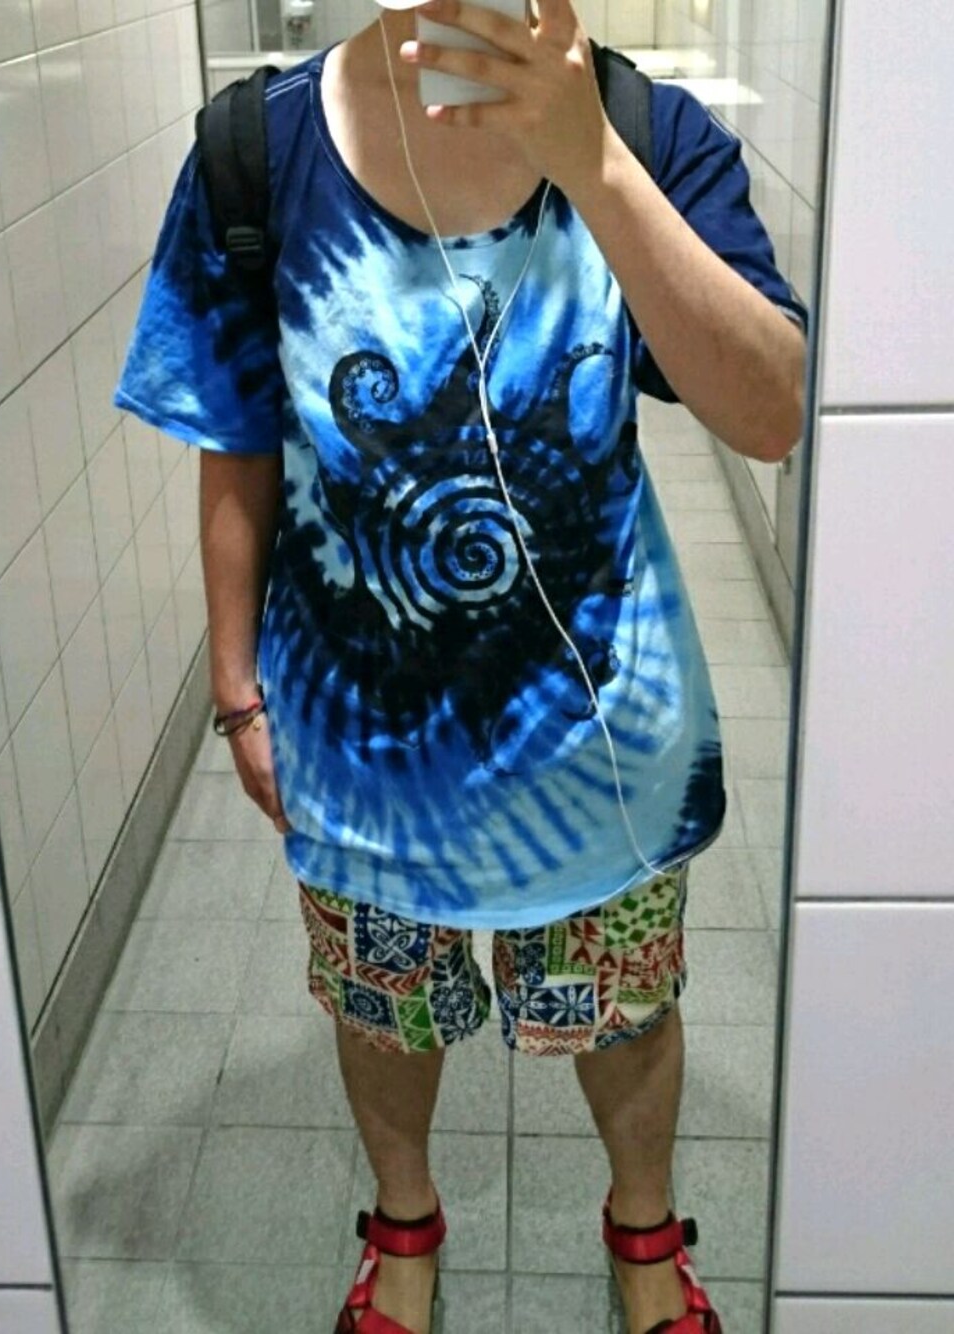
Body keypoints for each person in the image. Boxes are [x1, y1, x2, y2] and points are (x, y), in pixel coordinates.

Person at [115, 0, 808, 1329]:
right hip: (359, 745)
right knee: (383, 1008)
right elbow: (237, 441)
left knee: (625, 1008)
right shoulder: (255, 154)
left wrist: (593, 164)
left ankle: (645, 1232)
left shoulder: (649, 131)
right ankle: (405, 1224)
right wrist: (237, 690)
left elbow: (769, 412)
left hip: (601, 741)